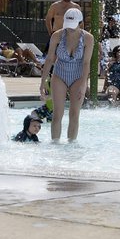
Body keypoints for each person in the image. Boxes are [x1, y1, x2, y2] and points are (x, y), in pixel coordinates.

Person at [40, 8, 94, 141]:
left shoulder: (88, 38)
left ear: (80, 23)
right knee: (57, 114)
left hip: (78, 76)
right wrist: (42, 81)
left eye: (73, 25)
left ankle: (71, 146)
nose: (69, 29)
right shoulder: (57, 35)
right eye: (67, 25)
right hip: (60, 75)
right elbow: (49, 59)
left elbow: (86, 63)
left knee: (74, 114)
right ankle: (55, 145)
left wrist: (83, 84)